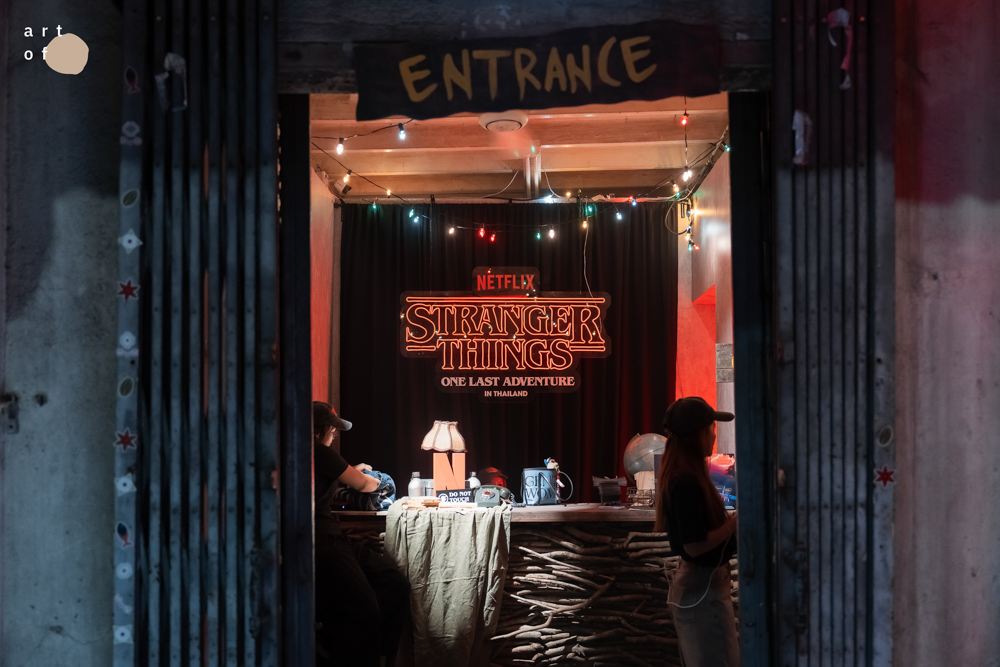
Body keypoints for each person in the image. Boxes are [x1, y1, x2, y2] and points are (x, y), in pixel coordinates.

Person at [313, 401, 410, 667]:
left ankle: (383, 656)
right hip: (323, 540)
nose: (335, 434)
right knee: (364, 610)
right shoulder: (320, 452)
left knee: (393, 581)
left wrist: (347, 470)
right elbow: (366, 485)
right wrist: (378, 479)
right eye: (332, 428)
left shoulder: (314, 455)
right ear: (321, 430)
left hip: (332, 537)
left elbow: (331, 476)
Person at [654, 396, 739, 667]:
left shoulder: (687, 473)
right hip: (702, 592)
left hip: (705, 589)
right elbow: (694, 545)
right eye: (711, 428)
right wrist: (732, 525)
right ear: (697, 434)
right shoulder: (685, 480)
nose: (714, 435)